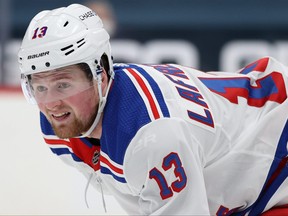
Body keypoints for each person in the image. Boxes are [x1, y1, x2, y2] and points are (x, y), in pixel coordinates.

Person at [18, 3, 288, 215]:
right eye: (39, 87)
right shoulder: (61, 126)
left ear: (99, 75)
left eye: (63, 84)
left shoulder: (151, 130)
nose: (51, 103)